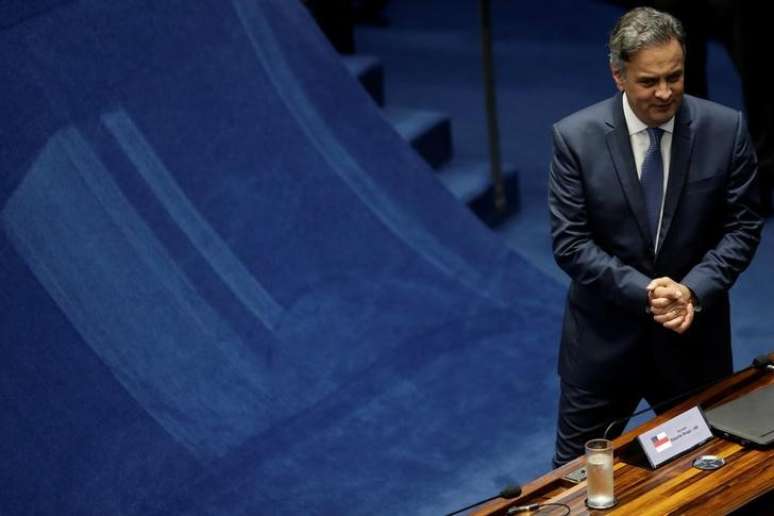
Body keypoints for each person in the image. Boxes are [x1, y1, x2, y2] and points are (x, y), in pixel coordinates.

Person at [548, 6, 764, 468]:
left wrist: (692, 289)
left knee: (706, 476)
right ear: (618, 75)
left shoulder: (726, 130)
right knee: (575, 483)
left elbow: (742, 226)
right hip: (602, 347)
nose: (665, 93)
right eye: (649, 81)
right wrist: (646, 292)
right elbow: (571, 242)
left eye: (675, 76)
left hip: (692, 344)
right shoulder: (574, 138)